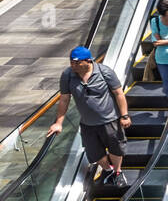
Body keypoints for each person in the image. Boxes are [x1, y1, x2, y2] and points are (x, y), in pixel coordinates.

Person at [48, 47, 131, 188]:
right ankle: (107, 170)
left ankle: (117, 172)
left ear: (88, 61)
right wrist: (58, 123)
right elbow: (64, 99)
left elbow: (118, 94)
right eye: (71, 62)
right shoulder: (68, 75)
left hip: (110, 120)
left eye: (76, 63)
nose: (72, 65)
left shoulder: (105, 72)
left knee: (116, 147)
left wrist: (124, 115)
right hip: (87, 124)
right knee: (93, 152)